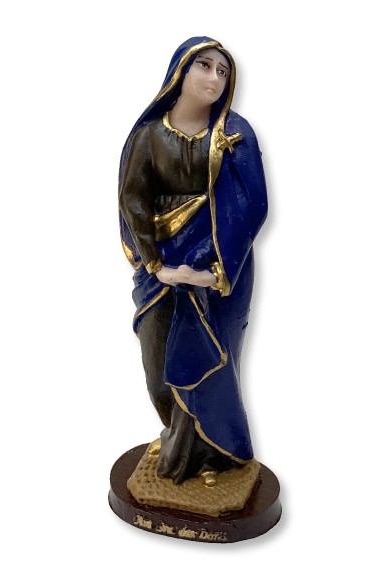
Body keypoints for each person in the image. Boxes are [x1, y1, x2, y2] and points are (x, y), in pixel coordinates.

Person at [118, 37, 268, 486]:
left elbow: (252, 206)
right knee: (158, 365)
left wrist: (211, 271)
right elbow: (133, 201)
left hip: (220, 269)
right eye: (204, 65)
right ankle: (177, 435)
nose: (214, 77)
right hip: (161, 269)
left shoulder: (234, 134)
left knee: (212, 363)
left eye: (223, 71)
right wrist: (159, 266)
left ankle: (212, 455)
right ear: (180, 71)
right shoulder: (147, 136)